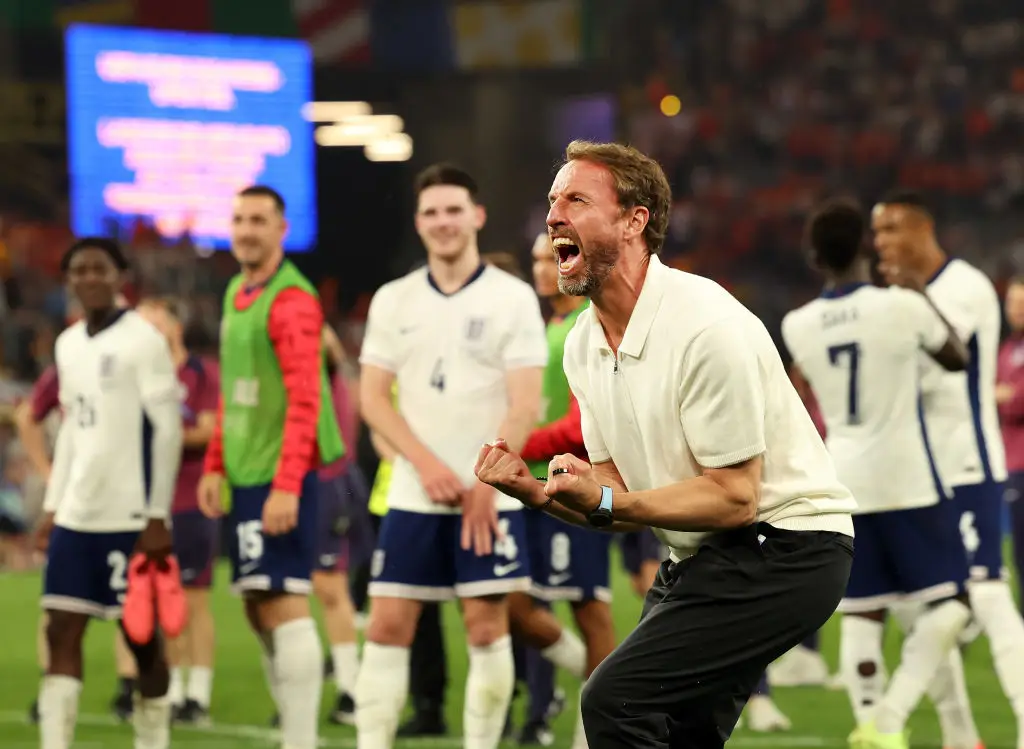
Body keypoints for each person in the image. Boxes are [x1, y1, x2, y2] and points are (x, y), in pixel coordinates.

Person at [474, 140, 855, 749]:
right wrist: (539, 492)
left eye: (576, 200)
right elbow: (617, 496)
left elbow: (735, 499)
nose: (552, 216)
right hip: (709, 553)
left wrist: (608, 501)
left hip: (787, 548)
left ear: (634, 221)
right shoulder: (583, 344)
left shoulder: (707, 327)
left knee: (616, 700)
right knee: (676, 732)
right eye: (552, 200)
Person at [355, 163, 548, 749]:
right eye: (432, 212)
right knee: (387, 626)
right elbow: (372, 398)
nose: (443, 222)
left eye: (454, 210)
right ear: (418, 223)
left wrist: (487, 480)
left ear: (477, 216)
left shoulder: (513, 298)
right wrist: (427, 465)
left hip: (487, 495)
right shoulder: (394, 299)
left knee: (486, 626)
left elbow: (525, 404)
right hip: (416, 490)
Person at [783, 200, 974, 749]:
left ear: (814, 258)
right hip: (908, 476)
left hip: (844, 481)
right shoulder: (901, 306)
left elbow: (796, 394)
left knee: (863, 612)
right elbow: (957, 359)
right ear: (867, 247)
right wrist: (921, 296)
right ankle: (890, 716)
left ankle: (872, 723)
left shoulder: (797, 324)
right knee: (952, 604)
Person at [874, 190, 1024, 749]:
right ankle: (961, 736)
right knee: (923, 608)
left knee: (987, 598)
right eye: (876, 232)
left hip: (967, 465)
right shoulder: (900, 295)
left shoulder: (965, 286)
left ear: (921, 229)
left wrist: (904, 307)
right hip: (919, 473)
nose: (880, 242)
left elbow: (946, 355)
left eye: (891, 229)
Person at [197, 185, 346, 749]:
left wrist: (287, 486)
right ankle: (294, 726)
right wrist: (215, 463)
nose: (246, 230)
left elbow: (305, 398)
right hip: (246, 472)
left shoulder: (292, 301)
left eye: (259, 220)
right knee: (258, 605)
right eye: (239, 219)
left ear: (282, 230)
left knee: (282, 600)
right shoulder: (237, 290)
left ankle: (301, 738)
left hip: (283, 475)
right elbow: (232, 391)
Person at [36, 237, 183, 749]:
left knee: (141, 641)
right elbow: (72, 428)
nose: (89, 278)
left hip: (130, 517)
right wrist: (53, 505)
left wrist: (157, 514)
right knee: (60, 629)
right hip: (78, 516)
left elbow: (168, 429)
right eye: (79, 270)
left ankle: (153, 739)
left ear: (121, 276)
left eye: (99, 268)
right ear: (68, 280)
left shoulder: (143, 340)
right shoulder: (67, 344)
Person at [508, 232, 615, 748]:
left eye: (551, 258)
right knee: (515, 604)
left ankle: (597, 726)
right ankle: (602, 691)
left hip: (573, 482)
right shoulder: (550, 326)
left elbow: (579, 424)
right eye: (534, 259)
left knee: (588, 608)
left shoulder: (586, 325)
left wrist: (520, 440)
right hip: (533, 484)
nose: (540, 268)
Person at [16, 300, 143, 724]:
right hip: (76, 501)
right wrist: (48, 473)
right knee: (59, 602)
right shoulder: (70, 361)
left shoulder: (141, 362)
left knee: (131, 599)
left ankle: (129, 687)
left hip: (126, 499)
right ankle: (51, 686)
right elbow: (28, 416)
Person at [136, 296, 220, 725]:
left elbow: (209, 430)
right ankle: (171, 691)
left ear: (175, 327)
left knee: (194, 600)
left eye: (156, 323)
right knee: (152, 602)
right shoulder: (137, 376)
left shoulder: (202, 374)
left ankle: (198, 694)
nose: (148, 333)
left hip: (190, 499)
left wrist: (161, 434)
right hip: (146, 503)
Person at [313, 324, 365, 726]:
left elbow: (329, 347)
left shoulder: (328, 371)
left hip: (328, 481)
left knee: (331, 587)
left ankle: (351, 690)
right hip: (303, 482)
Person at [997, 276, 1024, 600]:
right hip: (1014, 464)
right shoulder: (1007, 348)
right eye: (1012, 303)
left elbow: (1012, 400)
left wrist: (1007, 396)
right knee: (1019, 554)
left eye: (1022, 303)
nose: (1016, 309)